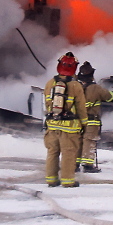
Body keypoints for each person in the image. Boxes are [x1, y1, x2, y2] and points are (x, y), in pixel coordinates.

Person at [43, 52, 86, 188]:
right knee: (68, 153)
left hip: (52, 124)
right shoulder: (75, 85)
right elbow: (81, 106)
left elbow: (46, 103)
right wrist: (84, 123)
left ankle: (51, 180)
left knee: (52, 152)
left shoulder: (50, 83)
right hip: (69, 126)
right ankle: (68, 181)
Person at [76, 61, 113, 173]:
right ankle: (88, 165)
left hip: (78, 120)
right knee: (89, 142)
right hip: (91, 121)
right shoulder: (96, 88)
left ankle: (75, 164)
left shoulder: (76, 87)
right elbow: (109, 97)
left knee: (78, 141)